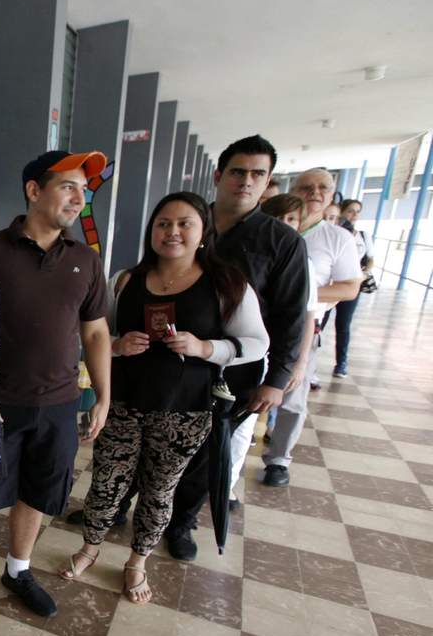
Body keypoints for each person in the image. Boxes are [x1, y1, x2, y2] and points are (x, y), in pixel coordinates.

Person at [65, 193, 268, 603]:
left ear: (202, 232)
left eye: (184, 223)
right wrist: (118, 345)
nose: (172, 232)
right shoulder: (125, 280)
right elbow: (97, 334)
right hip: (123, 402)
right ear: (151, 231)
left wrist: (206, 348)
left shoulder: (227, 284)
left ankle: (137, 562)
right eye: (163, 223)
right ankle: (89, 548)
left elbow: (257, 342)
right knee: (105, 481)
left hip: (185, 410)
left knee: (160, 490)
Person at [0, 150, 113, 618]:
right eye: (68, 186)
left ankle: (18, 569)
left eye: (83, 190)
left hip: (58, 403)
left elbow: (95, 332)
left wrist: (103, 395)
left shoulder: (85, 260)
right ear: (34, 190)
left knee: (37, 490)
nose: (79, 198)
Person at [159, 135, 310, 560]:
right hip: (173, 356)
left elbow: (291, 316)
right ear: (218, 175)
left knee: (208, 449)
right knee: (154, 434)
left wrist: (276, 380)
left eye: (257, 174)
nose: (246, 181)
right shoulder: (189, 222)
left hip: (235, 367)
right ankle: (121, 507)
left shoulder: (282, 242)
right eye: (238, 172)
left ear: (268, 181)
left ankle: (181, 522)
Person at [261, 168, 362, 485]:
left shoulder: (337, 238)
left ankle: (279, 459)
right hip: (258, 323)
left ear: (332, 194)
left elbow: (350, 287)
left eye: (323, 188)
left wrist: (298, 294)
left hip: (303, 328)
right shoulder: (267, 229)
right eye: (306, 187)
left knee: (292, 394)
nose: (315, 193)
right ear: (293, 191)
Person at [331, 199, 372, 378]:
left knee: (343, 324)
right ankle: (310, 367)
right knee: (318, 324)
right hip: (330, 284)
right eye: (350, 211)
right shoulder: (334, 233)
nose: (354, 215)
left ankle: (341, 362)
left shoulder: (363, 236)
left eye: (357, 211)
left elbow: (370, 258)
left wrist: (363, 274)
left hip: (350, 286)